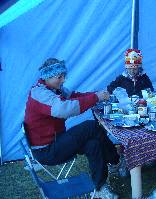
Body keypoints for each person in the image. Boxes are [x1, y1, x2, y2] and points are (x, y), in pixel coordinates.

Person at [24, 58, 119, 199]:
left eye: (64, 76)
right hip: (47, 151)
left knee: (93, 144)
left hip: (57, 141)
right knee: (91, 126)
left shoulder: (53, 89)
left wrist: (96, 94)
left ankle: (99, 187)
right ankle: (116, 160)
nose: (63, 80)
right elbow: (64, 109)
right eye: (59, 77)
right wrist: (96, 98)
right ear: (47, 77)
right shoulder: (40, 93)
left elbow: (74, 96)